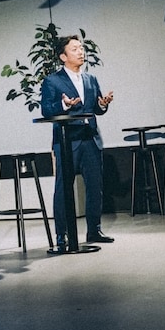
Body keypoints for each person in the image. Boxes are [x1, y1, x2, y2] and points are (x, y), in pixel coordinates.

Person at [41, 35, 115, 247]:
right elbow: (46, 110)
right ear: (63, 56)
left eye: (81, 48)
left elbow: (96, 108)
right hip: (67, 141)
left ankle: (94, 230)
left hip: (90, 138)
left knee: (94, 186)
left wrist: (103, 104)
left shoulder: (91, 79)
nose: (81, 52)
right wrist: (64, 105)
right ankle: (62, 235)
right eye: (74, 49)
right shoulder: (52, 81)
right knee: (64, 188)